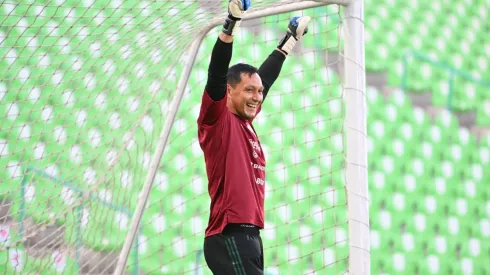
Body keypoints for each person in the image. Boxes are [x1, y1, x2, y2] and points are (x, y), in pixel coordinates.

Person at [197, 0, 310, 274]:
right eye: (249, 91)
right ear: (229, 91)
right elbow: (216, 73)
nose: (257, 97)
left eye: (259, 93)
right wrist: (231, 24)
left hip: (251, 237)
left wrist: (289, 41)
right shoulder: (218, 119)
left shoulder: (246, 121)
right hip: (228, 235)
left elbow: (265, 80)